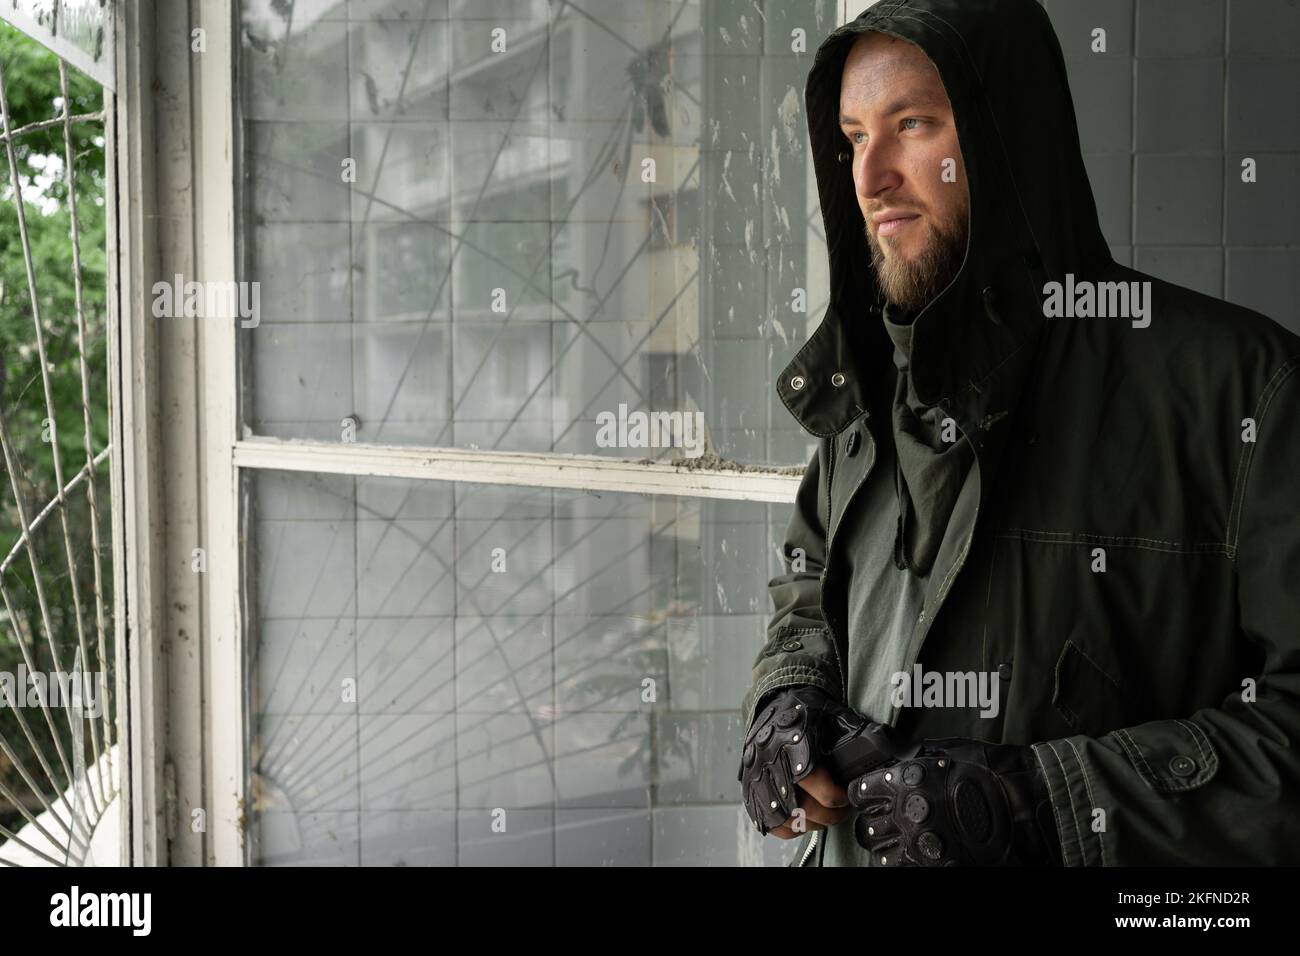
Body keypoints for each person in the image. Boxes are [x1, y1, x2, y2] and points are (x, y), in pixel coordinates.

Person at [737, 0, 1300, 867]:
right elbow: (812, 585)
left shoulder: (1244, 392)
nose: (870, 175)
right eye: (853, 137)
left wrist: (1045, 802)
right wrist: (788, 697)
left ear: (1008, 136)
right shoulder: (870, 385)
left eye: (913, 123)